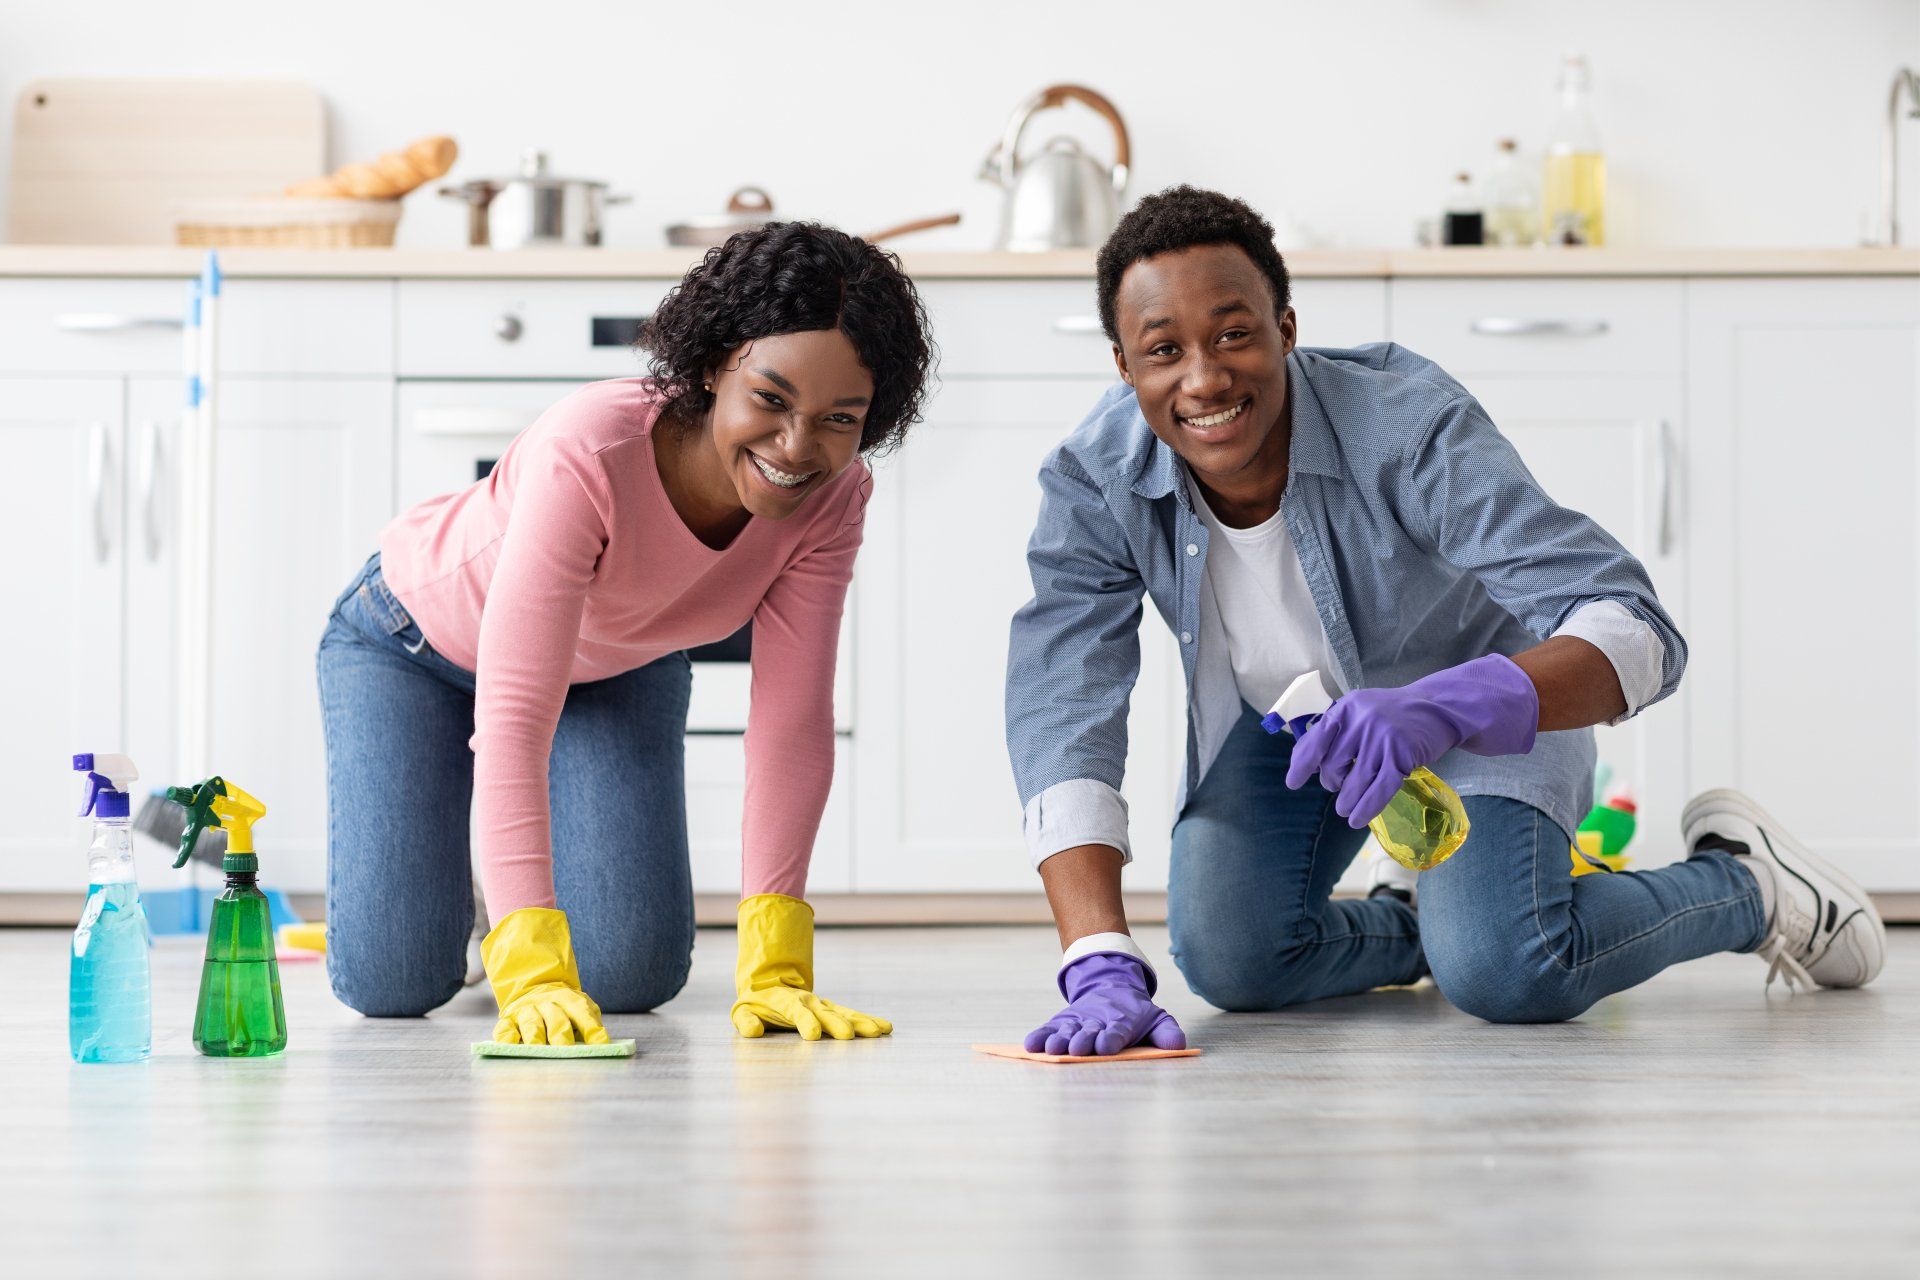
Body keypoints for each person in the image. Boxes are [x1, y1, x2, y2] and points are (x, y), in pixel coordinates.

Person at [1007, 186, 1885, 1055]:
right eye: (1164, 350)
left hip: (1478, 702)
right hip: (1298, 726)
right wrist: (1095, 954)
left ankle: (1747, 887)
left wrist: (1449, 705)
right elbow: (1064, 704)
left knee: (1513, 969)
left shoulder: (1403, 424)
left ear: (1286, 328)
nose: (1203, 378)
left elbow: (1638, 629)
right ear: (1125, 368)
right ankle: (1428, 912)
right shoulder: (1096, 480)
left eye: (1234, 333)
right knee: (1234, 962)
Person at [319, 223, 933, 1045]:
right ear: (718, 365)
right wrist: (530, 959)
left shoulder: (833, 499)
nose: (797, 448)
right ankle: (471, 888)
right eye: (772, 400)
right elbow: (514, 717)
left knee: (630, 975)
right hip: (412, 643)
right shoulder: (594, 448)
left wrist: (776, 962)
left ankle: (488, 872)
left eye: (839, 418)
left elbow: (790, 722)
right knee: (393, 981)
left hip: (612, 665)